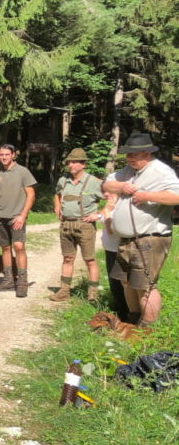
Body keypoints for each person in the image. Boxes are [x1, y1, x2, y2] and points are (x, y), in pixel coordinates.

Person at [103, 132, 179, 326]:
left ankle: (147, 329)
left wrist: (147, 196)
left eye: (132, 155)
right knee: (126, 281)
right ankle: (132, 320)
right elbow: (107, 184)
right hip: (127, 239)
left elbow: (176, 196)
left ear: (146, 154)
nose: (128, 158)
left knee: (145, 286)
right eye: (127, 154)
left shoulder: (161, 172)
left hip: (149, 239)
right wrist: (122, 186)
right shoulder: (129, 170)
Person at [48, 148, 104, 303]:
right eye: (69, 162)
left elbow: (111, 197)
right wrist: (57, 206)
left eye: (74, 162)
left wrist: (98, 215)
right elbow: (57, 194)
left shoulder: (93, 182)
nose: (70, 165)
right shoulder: (63, 180)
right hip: (66, 225)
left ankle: (93, 295)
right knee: (67, 258)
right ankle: (64, 291)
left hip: (85, 226)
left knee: (89, 260)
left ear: (83, 164)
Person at [0, 143, 37, 298]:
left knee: (19, 246)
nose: (4, 157)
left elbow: (31, 195)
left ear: (13, 155)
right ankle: (8, 280)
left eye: (7, 154)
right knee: (6, 248)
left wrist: (23, 215)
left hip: (16, 216)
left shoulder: (23, 172)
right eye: (1, 154)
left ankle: (22, 282)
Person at [100, 187, 127, 320]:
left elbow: (111, 230)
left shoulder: (120, 208)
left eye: (109, 192)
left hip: (118, 249)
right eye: (103, 191)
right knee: (114, 282)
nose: (105, 194)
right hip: (110, 249)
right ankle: (117, 308)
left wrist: (107, 214)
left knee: (120, 282)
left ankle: (123, 313)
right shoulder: (110, 206)